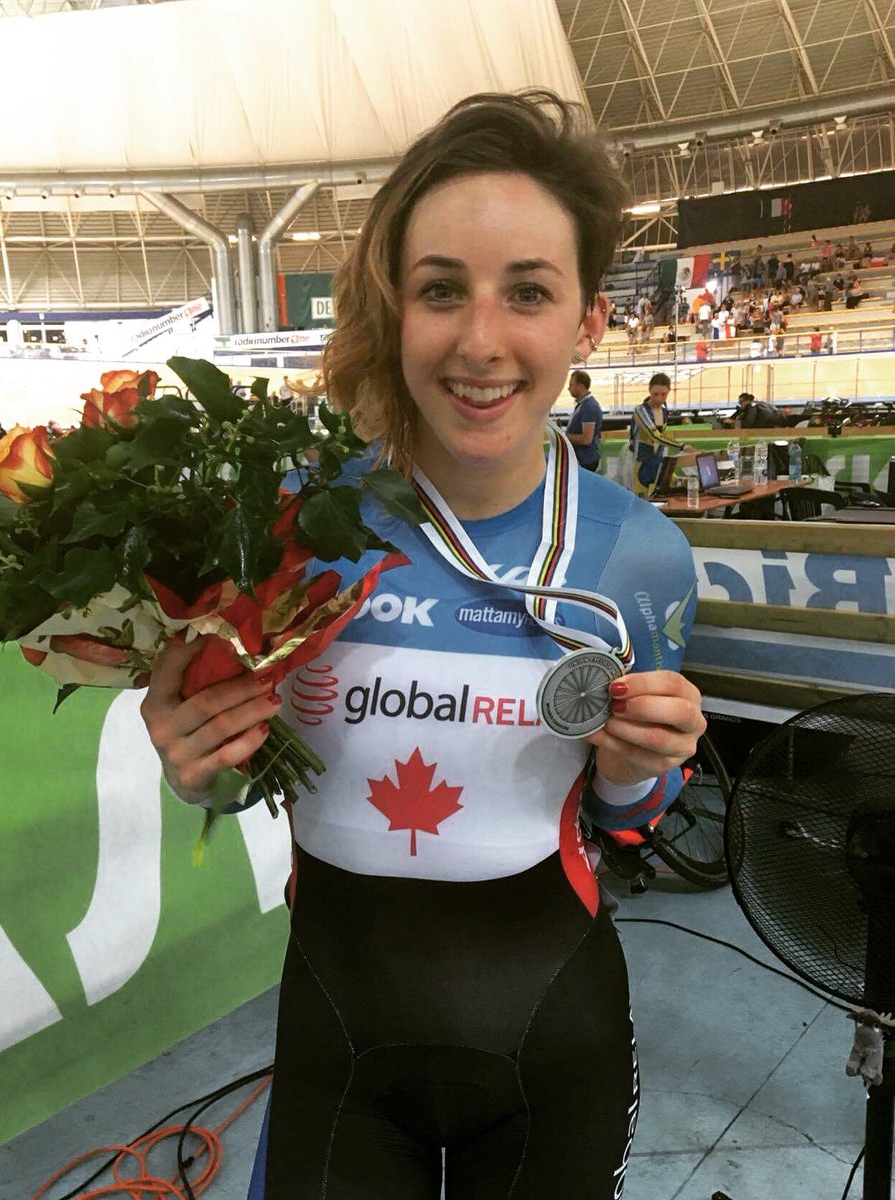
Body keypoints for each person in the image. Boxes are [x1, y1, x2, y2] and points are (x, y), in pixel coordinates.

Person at [140, 91, 705, 1199]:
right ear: (394, 310)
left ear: (588, 321)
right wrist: (195, 765)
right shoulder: (292, 526)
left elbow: (629, 824)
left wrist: (644, 774)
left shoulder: (641, 555)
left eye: (528, 293)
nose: (480, 342)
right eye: (441, 290)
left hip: (555, 1044)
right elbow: (228, 778)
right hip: (338, 1047)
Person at [627, 371, 691, 496]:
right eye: (655, 394)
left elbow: (661, 438)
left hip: (659, 464)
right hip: (642, 465)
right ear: (649, 390)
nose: (659, 398)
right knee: (642, 504)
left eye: (663, 394)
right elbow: (655, 435)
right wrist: (683, 446)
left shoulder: (664, 411)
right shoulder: (640, 410)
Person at [565, 368, 603, 472]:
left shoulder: (589, 407)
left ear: (580, 387)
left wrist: (565, 436)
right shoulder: (583, 405)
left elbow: (586, 439)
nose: (569, 388)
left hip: (586, 461)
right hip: (583, 459)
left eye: (571, 385)